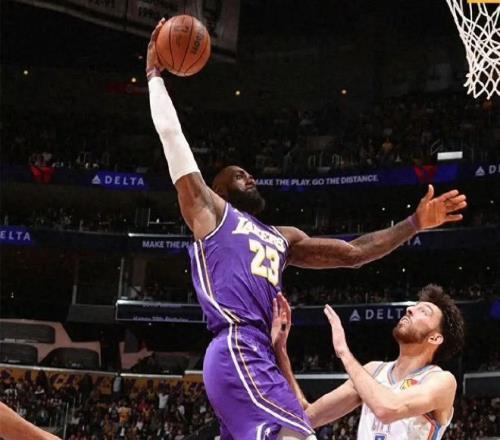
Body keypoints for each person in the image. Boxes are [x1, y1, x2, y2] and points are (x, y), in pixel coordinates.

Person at [146, 19, 467, 440]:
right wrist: (154, 77)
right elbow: (173, 139)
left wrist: (414, 224)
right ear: (217, 188)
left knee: (301, 429)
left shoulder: (285, 238)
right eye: (239, 175)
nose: (250, 178)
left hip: (261, 352)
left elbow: (354, 254)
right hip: (238, 345)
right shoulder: (212, 214)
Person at [272, 285, 465, 439]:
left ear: (435, 338)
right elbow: (308, 416)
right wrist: (281, 351)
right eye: (414, 305)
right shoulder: (373, 371)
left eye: (423, 311)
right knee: (289, 433)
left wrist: (343, 352)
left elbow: (388, 409)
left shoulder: (441, 381)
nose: (410, 309)